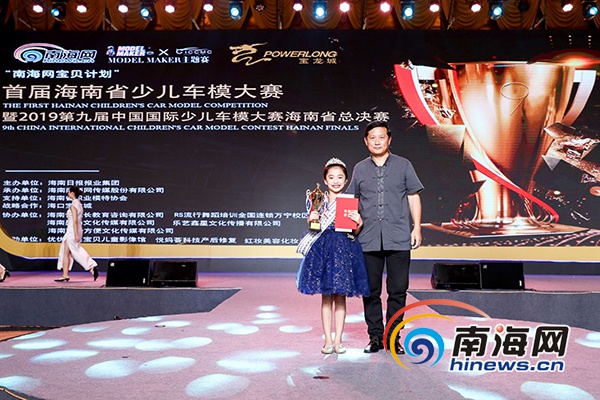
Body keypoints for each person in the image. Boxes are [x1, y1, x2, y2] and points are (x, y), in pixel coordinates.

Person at [347, 120, 424, 355]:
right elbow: (350, 202)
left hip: (398, 237)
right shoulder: (360, 168)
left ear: (389, 139)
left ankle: (393, 338)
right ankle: (375, 338)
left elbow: (413, 197)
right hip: (368, 239)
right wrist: (348, 229)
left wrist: (417, 228)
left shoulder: (403, 165)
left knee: (397, 291)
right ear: (366, 141)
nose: (377, 141)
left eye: (381, 137)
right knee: (370, 291)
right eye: (372, 137)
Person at [296, 158, 370, 355]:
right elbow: (313, 228)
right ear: (325, 180)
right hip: (322, 250)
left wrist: (359, 222)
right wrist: (312, 219)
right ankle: (328, 340)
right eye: (331, 177)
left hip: (344, 250)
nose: (335, 181)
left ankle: (338, 341)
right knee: (326, 297)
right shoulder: (317, 199)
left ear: (345, 180)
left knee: (341, 297)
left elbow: (354, 232)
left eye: (339, 177)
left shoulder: (350, 202)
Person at [55, 185, 98, 282]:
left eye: (69, 192)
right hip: (75, 230)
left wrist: (75, 234)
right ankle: (65, 274)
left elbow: (75, 221)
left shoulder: (73, 205)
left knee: (76, 251)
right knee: (66, 252)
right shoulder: (79, 204)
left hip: (72, 231)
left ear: (72, 193)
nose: (67, 193)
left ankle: (91, 266)